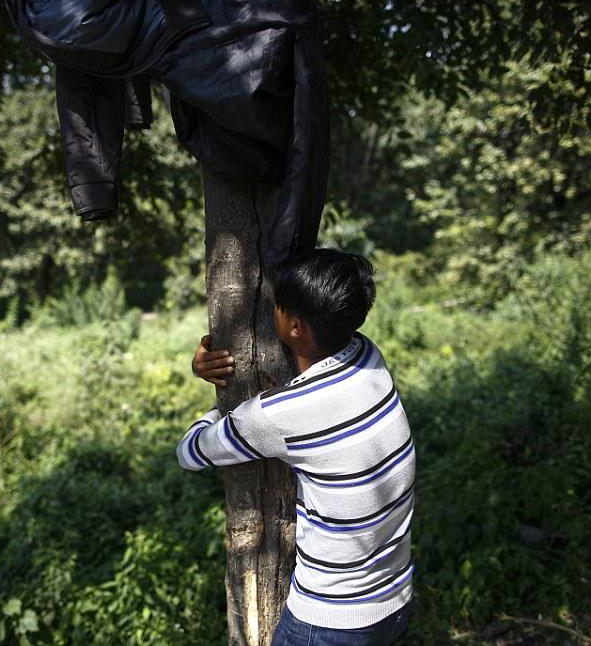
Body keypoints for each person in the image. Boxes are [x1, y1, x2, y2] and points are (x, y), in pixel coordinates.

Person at [177, 249, 414, 645]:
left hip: (332, 621)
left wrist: (217, 405)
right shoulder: (368, 355)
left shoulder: (280, 415)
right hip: (395, 597)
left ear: (295, 327)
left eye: (277, 306)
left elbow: (189, 452)